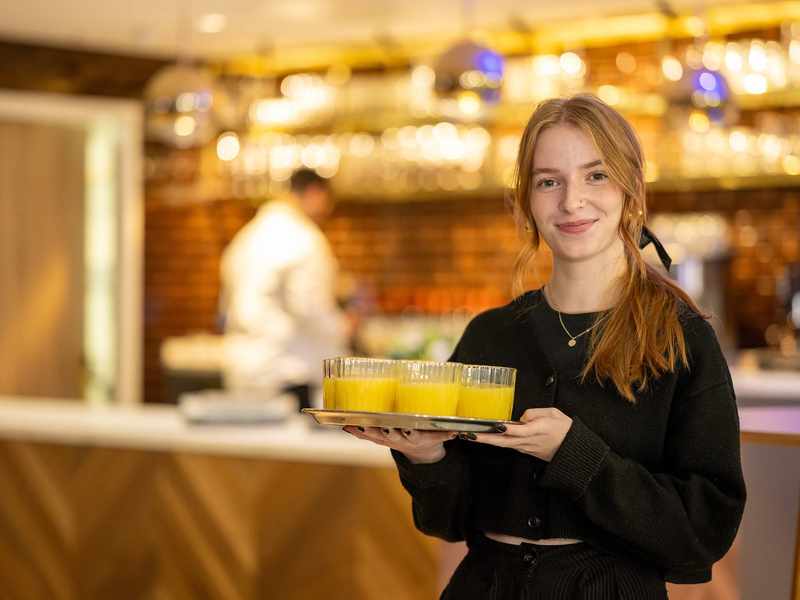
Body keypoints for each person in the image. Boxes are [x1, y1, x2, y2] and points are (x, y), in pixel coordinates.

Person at [344, 95, 746, 598]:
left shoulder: (681, 338)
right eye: (549, 181)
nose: (572, 201)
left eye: (595, 176)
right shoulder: (490, 334)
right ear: (526, 200)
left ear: (632, 187)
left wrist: (574, 454)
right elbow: (448, 521)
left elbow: (703, 530)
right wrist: (428, 458)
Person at [220, 168, 348, 410]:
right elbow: (309, 307)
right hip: (285, 370)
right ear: (315, 193)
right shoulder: (303, 239)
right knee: (289, 446)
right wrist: (343, 327)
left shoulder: (247, 235)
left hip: (243, 367)